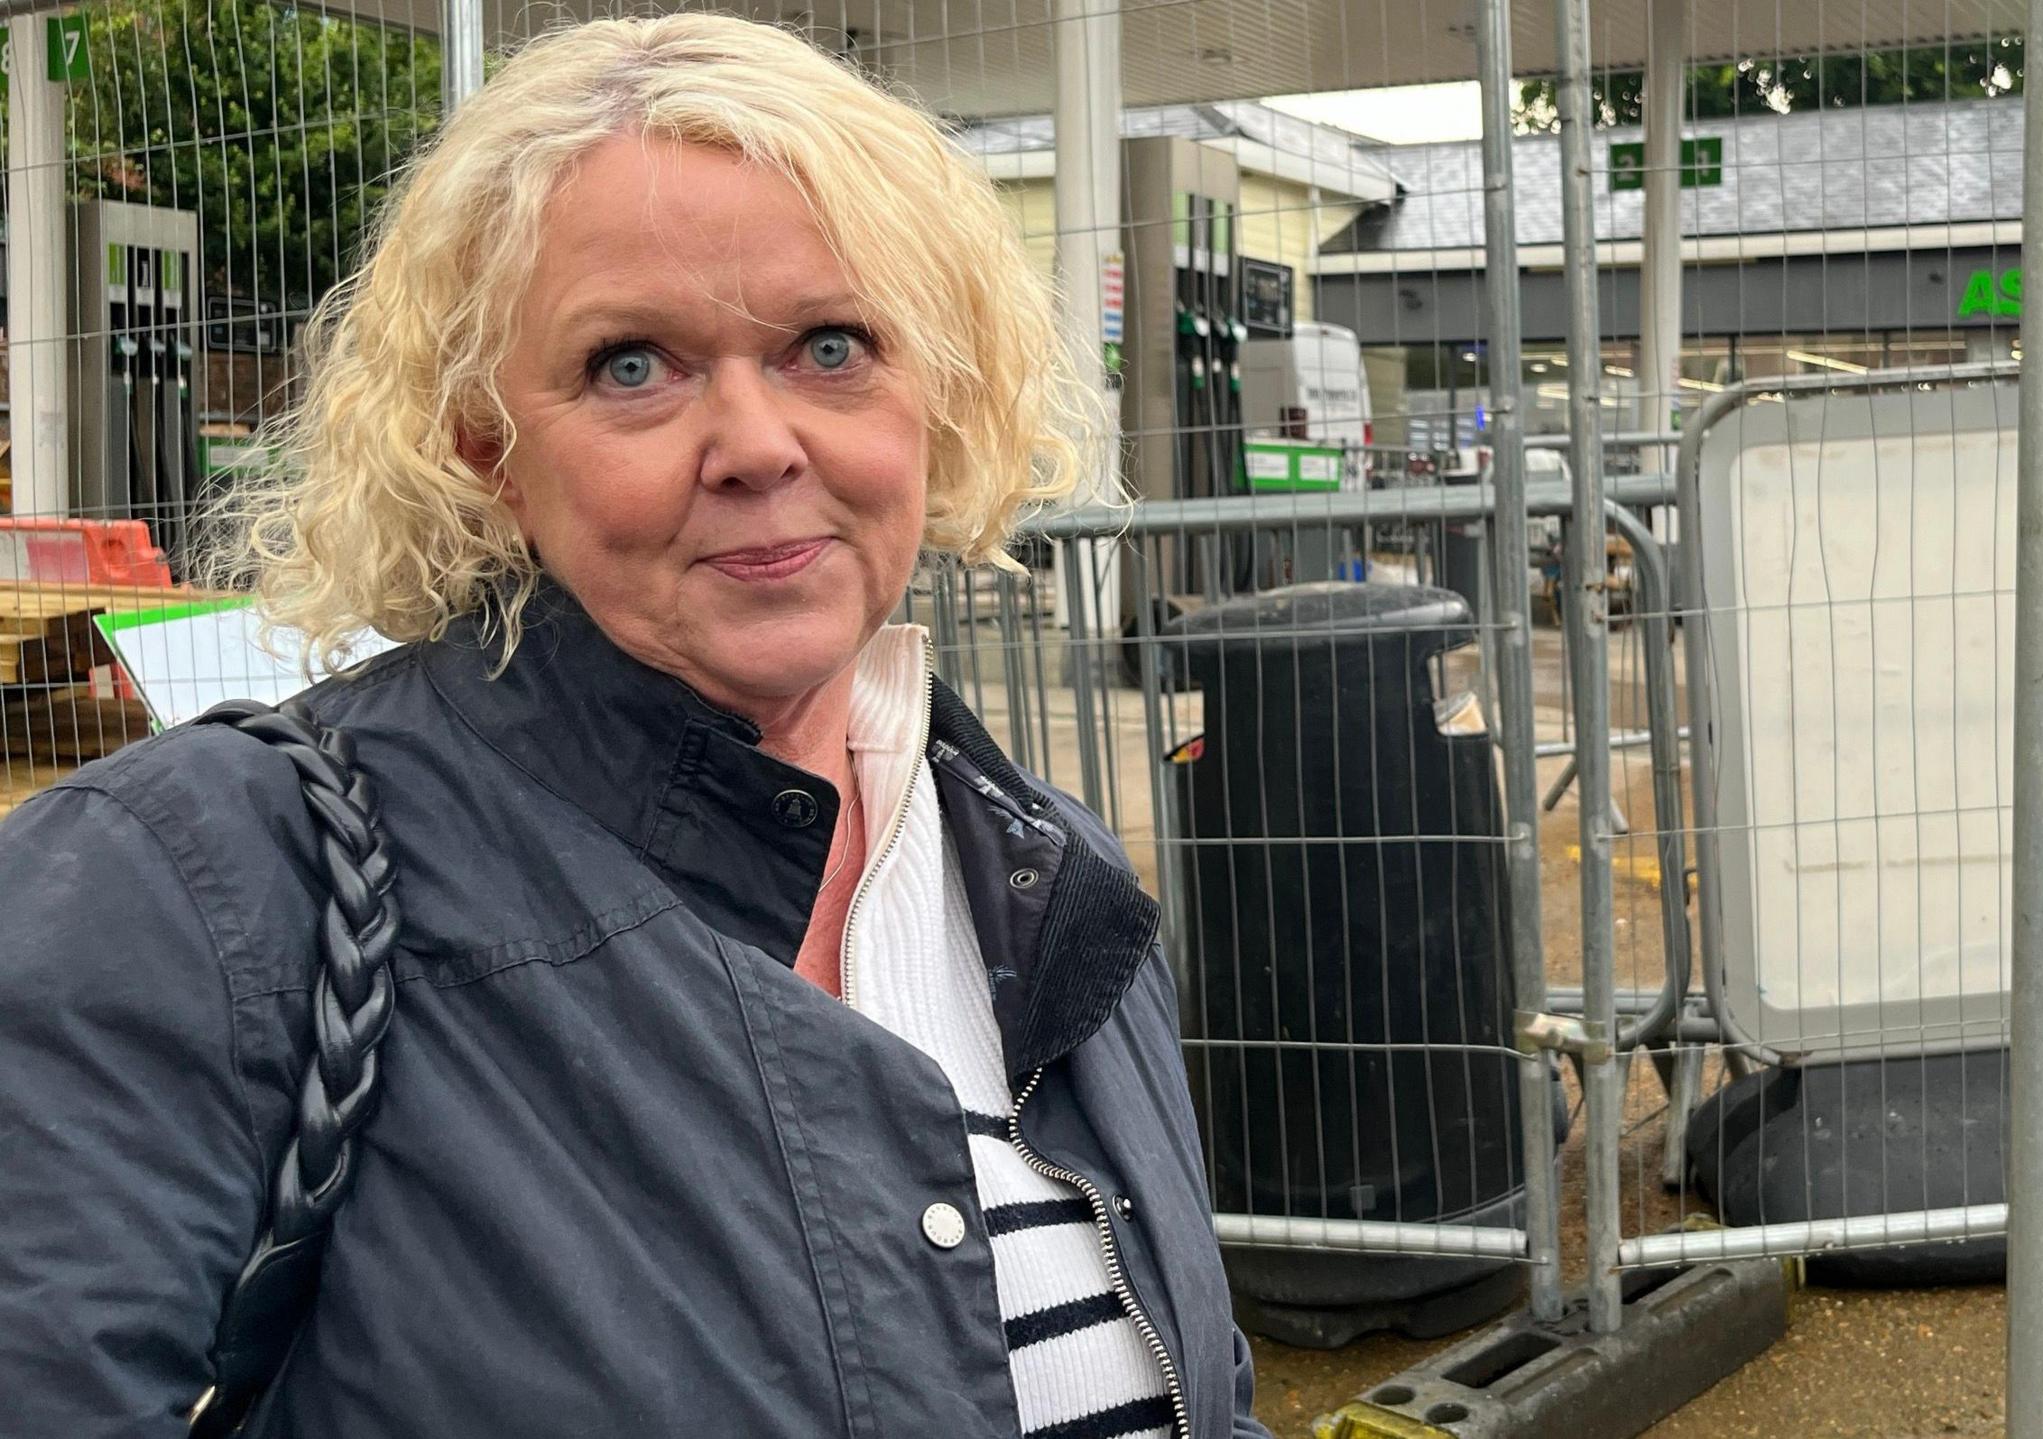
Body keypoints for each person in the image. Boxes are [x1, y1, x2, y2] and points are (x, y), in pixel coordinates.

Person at [0, 15, 1265, 1438]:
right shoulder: (193, 887)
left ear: (937, 393)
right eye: (631, 367)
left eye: (831, 346)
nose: (757, 444)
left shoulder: (1042, 876)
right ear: (485, 449)